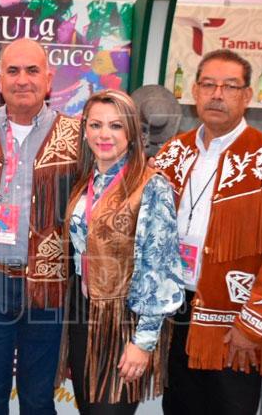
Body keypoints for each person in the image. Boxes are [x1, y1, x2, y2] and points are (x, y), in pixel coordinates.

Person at [155, 49, 262, 414]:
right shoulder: (173, 153)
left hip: (234, 323)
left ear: (247, 95)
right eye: (208, 84)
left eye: (230, 86)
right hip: (175, 315)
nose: (217, 94)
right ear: (195, 91)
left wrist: (252, 323)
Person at [0, 38, 81, 414]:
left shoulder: (77, 136)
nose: (22, 79)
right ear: (0, 79)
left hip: (48, 289)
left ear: (49, 79)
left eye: (32, 70)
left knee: (38, 400)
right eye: (13, 71)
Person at [64, 89, 184, 414]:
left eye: (115, 126)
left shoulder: (151, 185)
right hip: (83, 313)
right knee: (88, 409)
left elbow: (160, 268)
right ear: (84, 130)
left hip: (125, 319)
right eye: (95, 125)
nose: (104, 134)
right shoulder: (85, 180)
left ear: (131, 132)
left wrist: (142, 342)